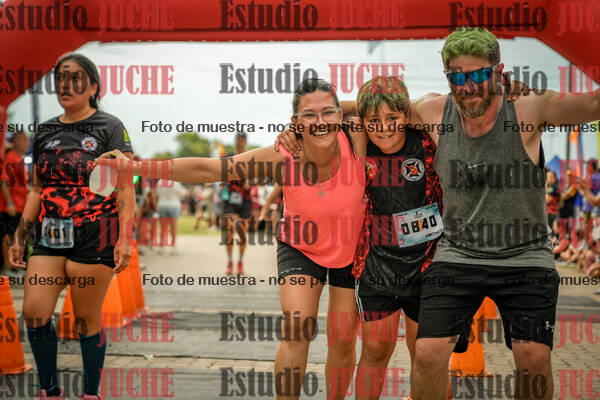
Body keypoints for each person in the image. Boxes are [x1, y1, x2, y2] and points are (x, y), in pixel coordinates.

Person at [98, 78, 367, 400]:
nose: (320, 122)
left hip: (350, 248)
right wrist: (134, 167)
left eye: (328, 112)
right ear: (295, 123)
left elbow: (385, 102)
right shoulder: (282, 154)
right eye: (309, 115)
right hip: (300, 246)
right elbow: (209, 169)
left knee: (343, 338)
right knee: (297, 330)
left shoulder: (357, 136)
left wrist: (336, 109)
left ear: (341, 114)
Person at [401, 27, 600, 399]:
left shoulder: (529, 106)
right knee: (427, 354)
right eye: (458, 76)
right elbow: (377, 109)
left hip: (525, 254)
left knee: (533, 357)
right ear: (447, 76)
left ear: (499, 71)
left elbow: (592, 104)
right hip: (458, 253)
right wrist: (307, 120)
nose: (469, 86)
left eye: (480, 74)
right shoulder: (433, 110)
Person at [9, 53, 135, 400]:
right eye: (61, 78)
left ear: (93, 87)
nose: (66, 85)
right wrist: (21, 235)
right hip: (49, 239)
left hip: (95, 238)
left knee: (85, 320)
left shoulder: (110, 127)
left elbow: (126, 187)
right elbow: (37, 189)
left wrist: (124, 239)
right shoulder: (45, 130)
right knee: (34, 312)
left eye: (76, 78)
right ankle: (50, 390)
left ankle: (91, 393)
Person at [0, 131, 30, 274]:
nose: (28, 143)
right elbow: (4, 181)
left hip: (20, 205)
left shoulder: (19, 158)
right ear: (17, 142)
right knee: (9, 235)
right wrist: (10, 203)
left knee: (16, 235)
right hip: (11, 207)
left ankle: (15, 266)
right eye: (24, 140)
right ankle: (7, 267)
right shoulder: (11, 157)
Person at [222, 132, 252, 274]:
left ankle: (240, 261)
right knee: (229, 230)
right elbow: (221, 174)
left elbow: (257, 176)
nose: (239, 143)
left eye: (242, 140)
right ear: (235, 142)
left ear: (245, 142)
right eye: (238, 140)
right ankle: (229, 261)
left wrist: (251, 183)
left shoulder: (251, 157)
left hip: (245, 200)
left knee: (242, 233)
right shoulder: (229, 157)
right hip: (230, 200)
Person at [155, 179, 186, 254]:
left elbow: (157, 194)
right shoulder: (176, 182)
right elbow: (182, 194)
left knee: (163, 227)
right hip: (174, 205)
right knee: (173, 227)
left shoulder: (160, 182)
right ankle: (173, 247)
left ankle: (161, 246)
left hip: (162, 204)